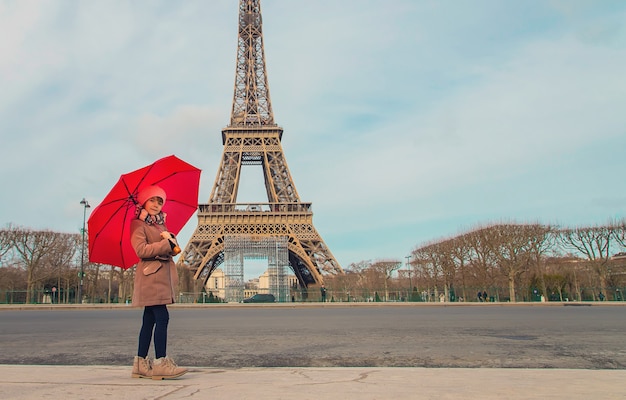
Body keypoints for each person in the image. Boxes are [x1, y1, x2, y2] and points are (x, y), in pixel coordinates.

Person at [130, 185, 188, 380]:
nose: (156, 204)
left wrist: (171, 242)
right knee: (162, 317)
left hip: (160, 276)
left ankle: (140, 363)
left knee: (149, 320)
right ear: (144, 202)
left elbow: (169, 248)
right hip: (151, 278)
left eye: (160, 201)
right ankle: (160, 362)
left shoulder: (160, 224)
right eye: (152, 200)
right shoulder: (138, 225)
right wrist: (165, 244)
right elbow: (141, 250)